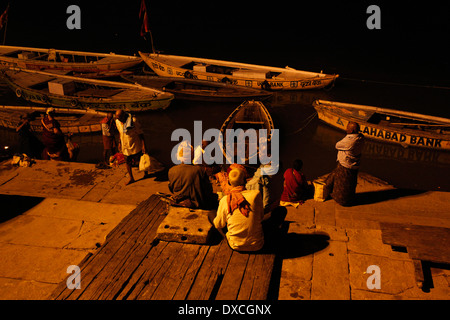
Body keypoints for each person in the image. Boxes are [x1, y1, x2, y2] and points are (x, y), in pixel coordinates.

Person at [211, 167, 265, 252]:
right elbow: (261, 217)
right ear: (245, 181)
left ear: (229, 182)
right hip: (257, 245)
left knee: (212, 215)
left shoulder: (225, 200)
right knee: (280, 211)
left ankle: (231, 236)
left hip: (235, 245)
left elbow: (218, 225)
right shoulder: (256, 195)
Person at [168, 141, 218, 209]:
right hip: (198, 204)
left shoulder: (171, 171)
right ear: (192, 155)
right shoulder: (199, 170)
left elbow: (171, 188)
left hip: (179, 202)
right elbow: (208, 190)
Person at [326, 121, 365, 206]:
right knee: (350, 183)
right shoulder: (361, 138)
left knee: (342, 184)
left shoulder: (350, 141)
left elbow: (337, 145)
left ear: (352, 131)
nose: (346, 129)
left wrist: (348, 136)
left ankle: (342, 200)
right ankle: (348, 198)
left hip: (346, 165)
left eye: (348, 128)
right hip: (354, 164)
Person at [115, 109, 149, 185]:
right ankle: (131, 178)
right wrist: (119, 143)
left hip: (135, 144)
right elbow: (120, 133)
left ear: (124, 115)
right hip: (125, 146)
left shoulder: (133, 120)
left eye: (120, 118)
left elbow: (140, 133)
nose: (119, 119)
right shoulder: (117, 121)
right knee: (127, 162)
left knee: (141, 159)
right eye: (117, 118)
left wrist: (144, 145)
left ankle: (146, 173)